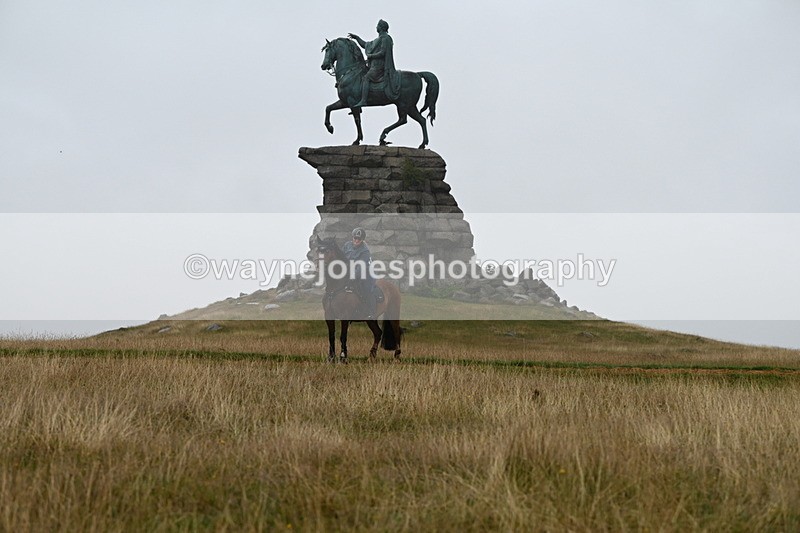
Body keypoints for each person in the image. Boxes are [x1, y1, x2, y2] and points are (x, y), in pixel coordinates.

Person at [347, 19, 401, 108]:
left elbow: (383, 52)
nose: (376, 27)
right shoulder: (377, 40)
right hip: (374, 66)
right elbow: (365, 45)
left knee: (366, 78)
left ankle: (364, 100)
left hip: (380, 67)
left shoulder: (386, 38)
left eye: (377, 26)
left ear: (381, 27)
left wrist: (371, 56)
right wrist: (357, 38)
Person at [342, 227, 377, 319]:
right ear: (352, 237)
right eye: (355, 238)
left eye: (359, 239)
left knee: (367, 289)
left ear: (362, 240)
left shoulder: (365, 251)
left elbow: (361, 267)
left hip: (366, 273)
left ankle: (371, 312)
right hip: (351, 271)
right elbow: (342, 259)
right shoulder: (347, 245)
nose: (356, 240)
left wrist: (352, 277)